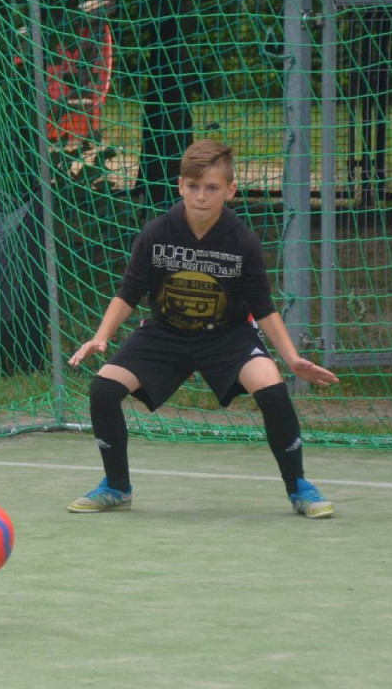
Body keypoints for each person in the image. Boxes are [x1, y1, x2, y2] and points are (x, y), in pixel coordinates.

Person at [67, 139, 339, 518]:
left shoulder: (242, 241)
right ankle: (116, 486)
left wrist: (291, 358)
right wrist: (101, 336)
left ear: (230, 190)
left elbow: (263, 308)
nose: (201, 197)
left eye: (212, 188)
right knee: (103, 388)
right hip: (166, 334)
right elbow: (128, 293)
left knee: (273, 389)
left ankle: (299, 488)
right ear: (180, 186)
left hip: (227, 336)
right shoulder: (157, 232)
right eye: (193, 187)